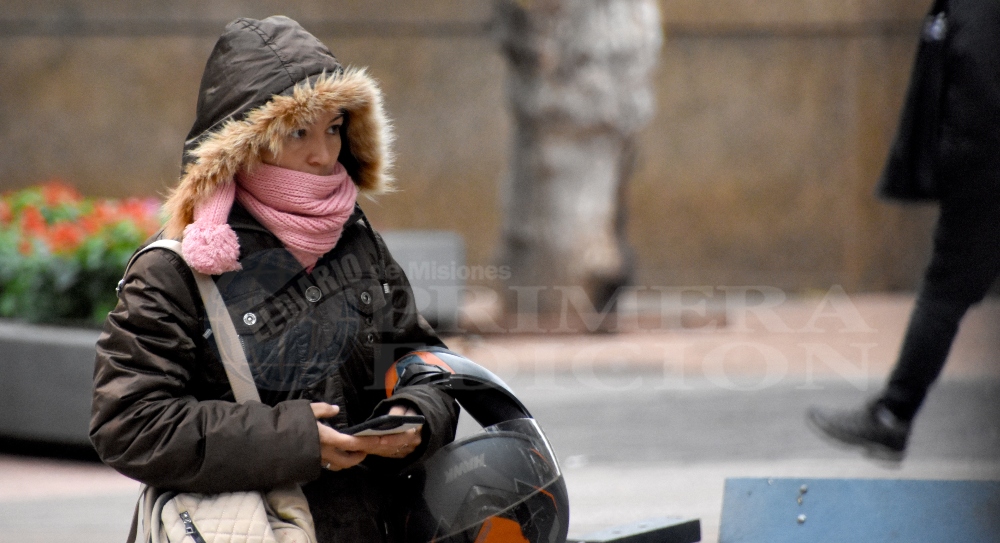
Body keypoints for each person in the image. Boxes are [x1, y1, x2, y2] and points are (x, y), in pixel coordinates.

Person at [89, 16, 459, 542]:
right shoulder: (175, 268)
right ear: (246, 142)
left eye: (334, 127)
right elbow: (129, 423)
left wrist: (415, 414)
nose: (323, 154)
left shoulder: (356, 240)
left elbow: (417, 360)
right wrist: (296, 441)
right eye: (298, 131)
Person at [807, 0, 1000, 459]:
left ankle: (893, 414)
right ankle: (893, 414)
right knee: (946, 293)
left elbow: (978, 84)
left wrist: (956, 162)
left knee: (944, 293)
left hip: (985, 174)